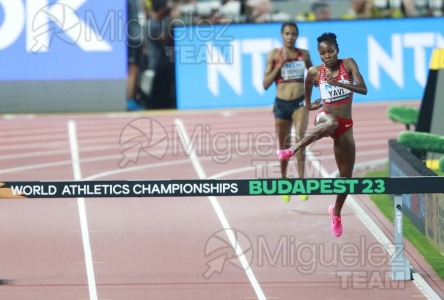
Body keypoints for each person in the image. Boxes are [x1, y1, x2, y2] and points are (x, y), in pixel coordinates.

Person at [277, 32, 368, 237]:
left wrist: (340, 84)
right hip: (325, 117)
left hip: (346, 126)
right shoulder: (314, 71)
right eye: (322, 53)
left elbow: (364, 89)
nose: (327, 56)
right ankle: (293, 149)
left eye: (330, 51)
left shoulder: (349, 64)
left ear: (337, 50)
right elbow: (307, 83)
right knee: (331, 121)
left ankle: (336, 213)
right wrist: (308, 105)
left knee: (346, 179)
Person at [263, 22, 314, 203]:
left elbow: (313, 76)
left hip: (299, 103)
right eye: (287, 33)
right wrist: (280, 64)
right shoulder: (273, 55)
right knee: (284, 145)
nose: (290, 36)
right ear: (281, 35)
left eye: (293, 34)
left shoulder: (304, 55)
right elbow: (265, 84)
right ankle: (284, 182)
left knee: (300, 139)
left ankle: (301, 182)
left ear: (297, 36)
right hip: (281, 104)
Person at [126, 0, 145, 111]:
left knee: (136, 68)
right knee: (132, 68)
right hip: (131, 36)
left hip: (138, 36)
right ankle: (129, 99)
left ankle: (132, 98)